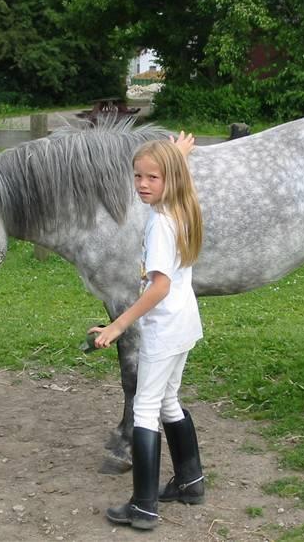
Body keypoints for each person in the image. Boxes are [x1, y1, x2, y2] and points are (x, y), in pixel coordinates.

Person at [88, 131, 205, 531]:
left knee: (144, 409)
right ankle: (191, 482)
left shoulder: (160, 224)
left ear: (170, 179)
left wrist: (118, 325)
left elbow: (158, 286)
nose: (142, 184)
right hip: (185, 323)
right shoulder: (183, 206)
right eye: (138, 176)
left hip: (164, 328)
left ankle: (144, 506)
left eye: (152, 178)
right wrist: (177, 155)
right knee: (168, 400)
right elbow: (176, 176)